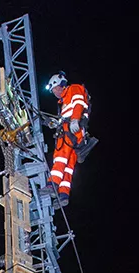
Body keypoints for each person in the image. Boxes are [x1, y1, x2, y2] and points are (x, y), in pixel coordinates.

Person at [44, 71, 93, 207]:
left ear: (60, 85)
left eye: (54, 89)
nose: (55, 93)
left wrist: (75, 120)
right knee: (68, 166)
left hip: (70, 131)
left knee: (60, 157)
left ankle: (52, 185)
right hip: (75, 133)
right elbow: (71, 111)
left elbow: (79, 103)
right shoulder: (64, 102)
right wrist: (55, 123)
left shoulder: (73, 89)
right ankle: (63, 195)